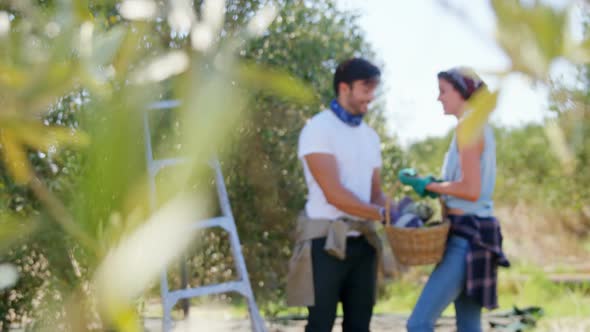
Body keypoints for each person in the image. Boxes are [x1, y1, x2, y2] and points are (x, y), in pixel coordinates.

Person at [398, 67, 510, 332]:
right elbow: (467, 184)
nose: (439, 98)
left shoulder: (468, 127)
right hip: (478, 235)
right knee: (469, 325)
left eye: (443, 91)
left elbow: (471, 190)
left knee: (418, 324)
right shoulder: (479, 125)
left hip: (467, 239)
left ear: (462, 92)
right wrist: (432, 184)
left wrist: (430, 186)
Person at [286, 58, 390, 332]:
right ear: (344, 88)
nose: (371, 96)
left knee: (360, 326)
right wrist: (381, 214)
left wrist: (398, 213)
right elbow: (334, 194)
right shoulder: (318, 130)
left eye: (374, 89)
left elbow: (375, 192)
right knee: (320, 324)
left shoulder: (370, 137)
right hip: (325, 243)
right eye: (366, 88)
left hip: (363, 244)